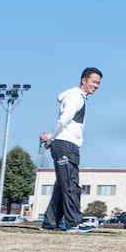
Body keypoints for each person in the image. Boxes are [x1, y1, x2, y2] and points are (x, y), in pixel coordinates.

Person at [38, 67, 101, 231]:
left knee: (62, 185)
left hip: (67, 144)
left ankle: (50, 223)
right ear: (84, 80)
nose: (96, 86)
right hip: (65, 144)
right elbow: (64, 119)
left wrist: (52, 137)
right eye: (94, 82)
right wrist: (51, 138)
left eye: (98, 83)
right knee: (70, 184)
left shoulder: (79, 97)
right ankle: (74, 222)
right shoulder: (75, 97)